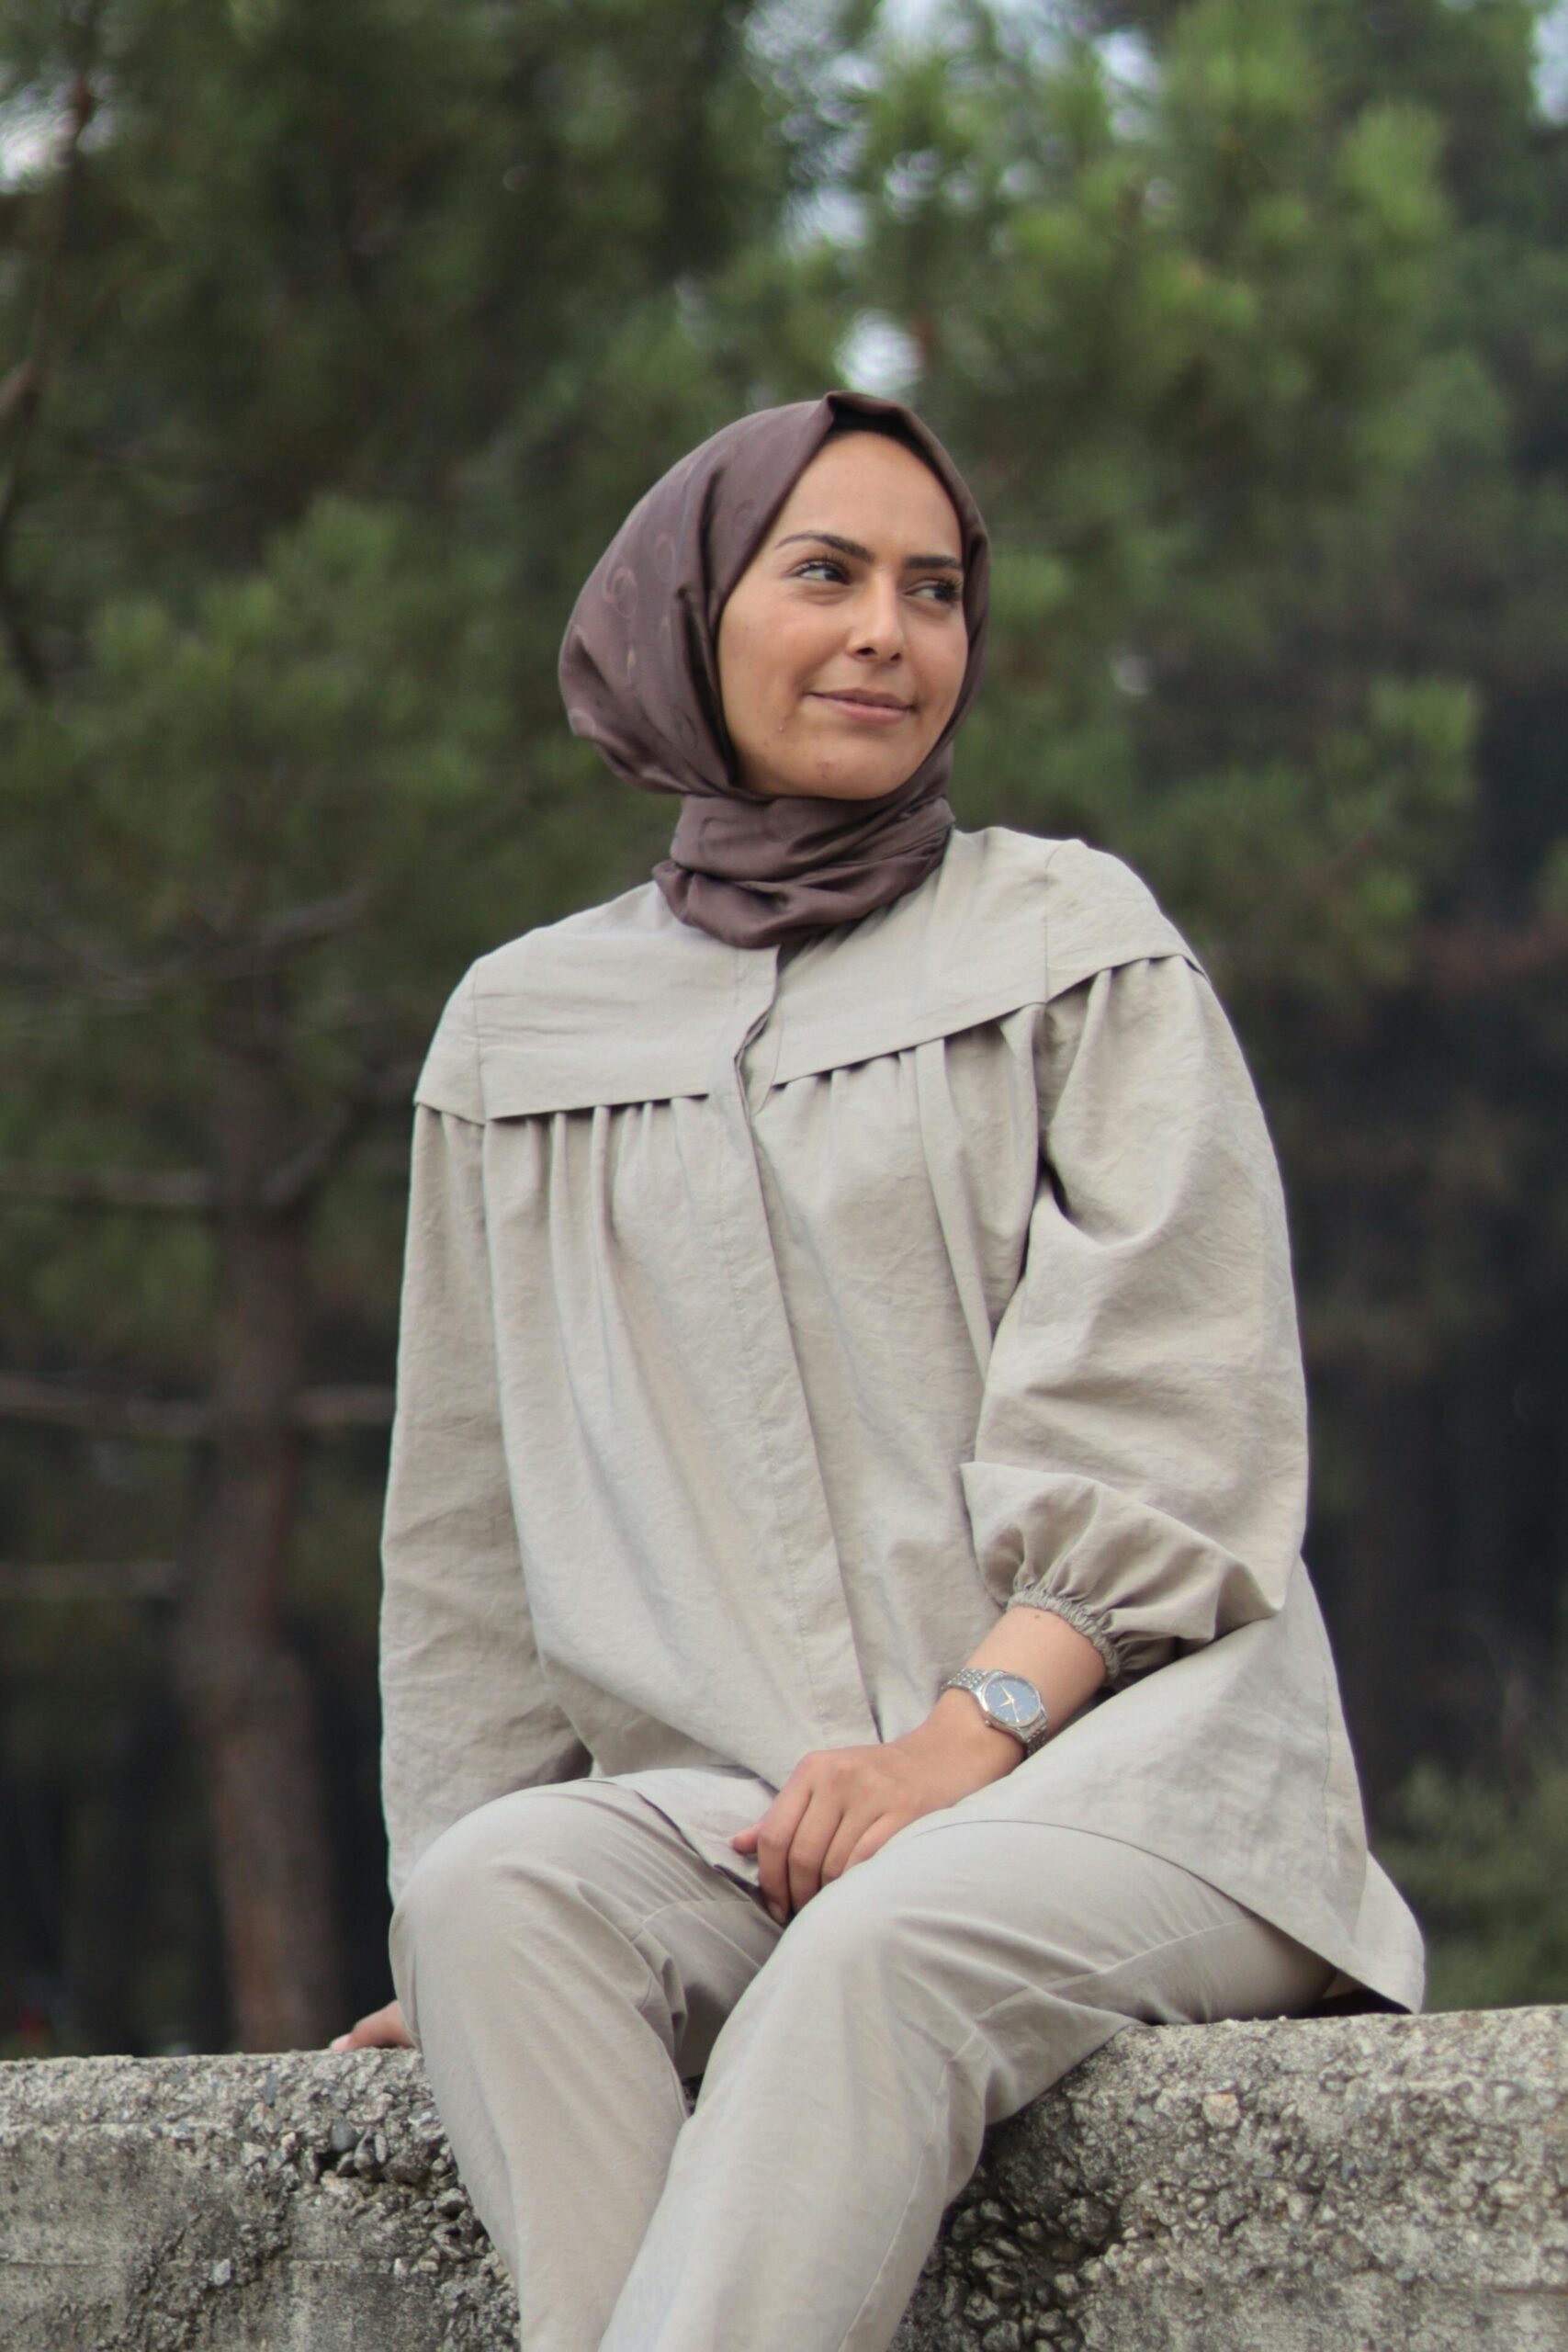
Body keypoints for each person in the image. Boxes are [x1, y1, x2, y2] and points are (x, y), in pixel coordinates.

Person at [333, 390, 1424, 2352]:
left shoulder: (1069, 941)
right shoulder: (520, 1031)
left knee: (877, 1951)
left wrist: (960, 1738)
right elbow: (468, 1545)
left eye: (933, 591)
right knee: (505, 1889)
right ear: (683, 611)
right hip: (741, 1814)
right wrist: (470, 1953)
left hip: (1126, 1788)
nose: (885, 634)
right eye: (821, 574)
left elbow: (1174, 1426)